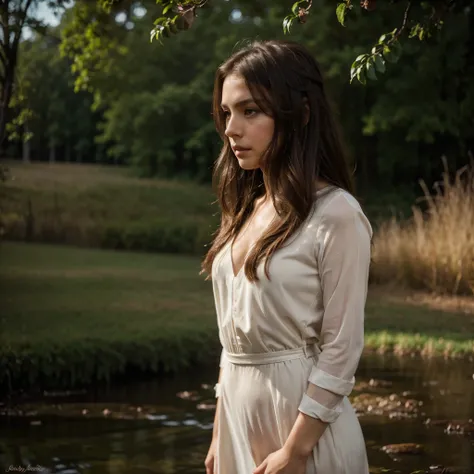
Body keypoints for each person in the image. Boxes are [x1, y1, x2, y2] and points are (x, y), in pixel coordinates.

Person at [200, 39, 372, 474]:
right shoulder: (243, 211)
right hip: (237, 426)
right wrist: (221, 432)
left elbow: (341, 348)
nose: (231, 129)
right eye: (226, 113)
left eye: (250, 111)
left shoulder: (336, 214)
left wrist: (295, 452)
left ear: (301, 115)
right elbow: (233, 344)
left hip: (302, 437)